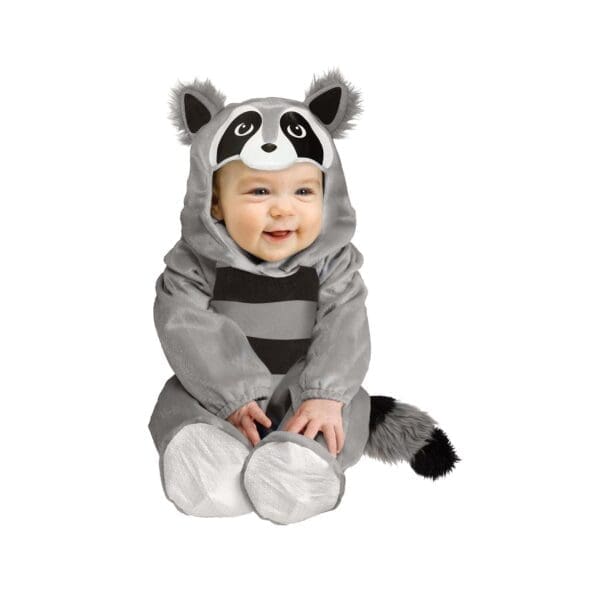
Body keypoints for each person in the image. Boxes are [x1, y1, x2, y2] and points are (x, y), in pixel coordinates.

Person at [148, 68, 459, 526]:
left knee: (334, 419)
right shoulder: (193, 266)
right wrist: (232, 395)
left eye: (303, 191)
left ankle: (300, 470)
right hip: (217, 397)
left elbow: (344, 329)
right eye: (259, 191)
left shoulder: (332, 265)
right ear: (214, 203)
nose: (283, 208)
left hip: (305, 395)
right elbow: (185, 327)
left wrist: (324, 394)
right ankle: (208, 466)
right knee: (186, 410)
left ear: (327, 196)